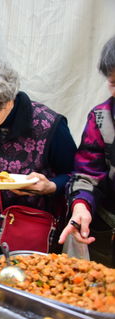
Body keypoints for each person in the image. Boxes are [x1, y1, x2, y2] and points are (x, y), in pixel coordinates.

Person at [0, 56, 77, 254]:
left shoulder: (49, 125)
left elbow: (75, 174)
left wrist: (51, 186)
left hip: (30, 240)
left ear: (7, 103)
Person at [59, 36, 115, 266]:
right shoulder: (101, 117)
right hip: (107, 223)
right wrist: (81, 204)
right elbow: (86, 172)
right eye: (112, 83)